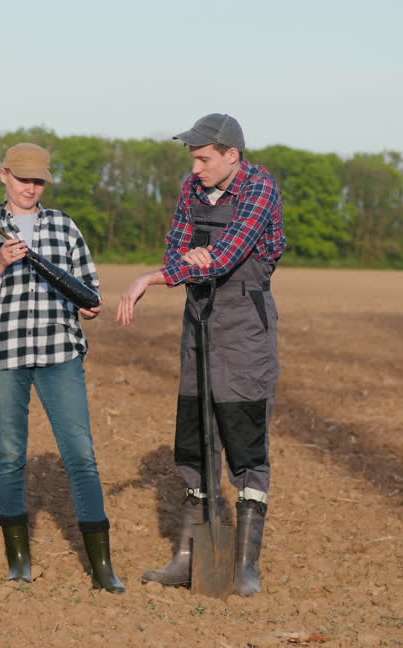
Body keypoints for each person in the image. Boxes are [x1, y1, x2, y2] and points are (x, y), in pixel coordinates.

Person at [115, 114, 285, 596]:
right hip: (198, 320)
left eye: (203, 158)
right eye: (193, 158)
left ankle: (246, 566)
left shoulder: (259, 188)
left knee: (243, 435)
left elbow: (228, 255)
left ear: (232, 155)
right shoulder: (193, 189)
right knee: (193, 434)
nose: (195, 168)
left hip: (244, 328)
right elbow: (176, 249)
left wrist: (156, 276)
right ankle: (187, 555)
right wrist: (180, 264)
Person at [0, 142, 125, 593]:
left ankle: (103, 570)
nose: (31, 188)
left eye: (38, 181)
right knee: (10, 457)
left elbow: (88, 286)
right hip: (2, 358)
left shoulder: (64, 227)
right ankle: (18, 563)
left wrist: (88, 305)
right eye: (23, 179)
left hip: (59, 355)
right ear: (4, 176)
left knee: (81, 456)